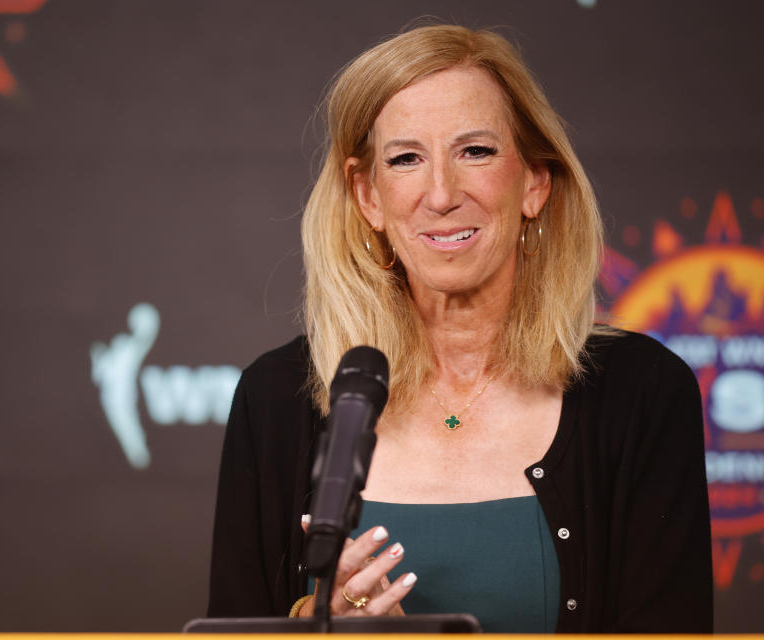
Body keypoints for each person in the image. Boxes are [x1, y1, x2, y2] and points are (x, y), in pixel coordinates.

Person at [207, 24, 712, 632]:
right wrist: (318, 623)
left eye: (475, 151)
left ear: (534, 181)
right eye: (406, 159)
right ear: (368, 197)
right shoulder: (276, 398)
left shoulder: (644, 391)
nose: (441, 194)